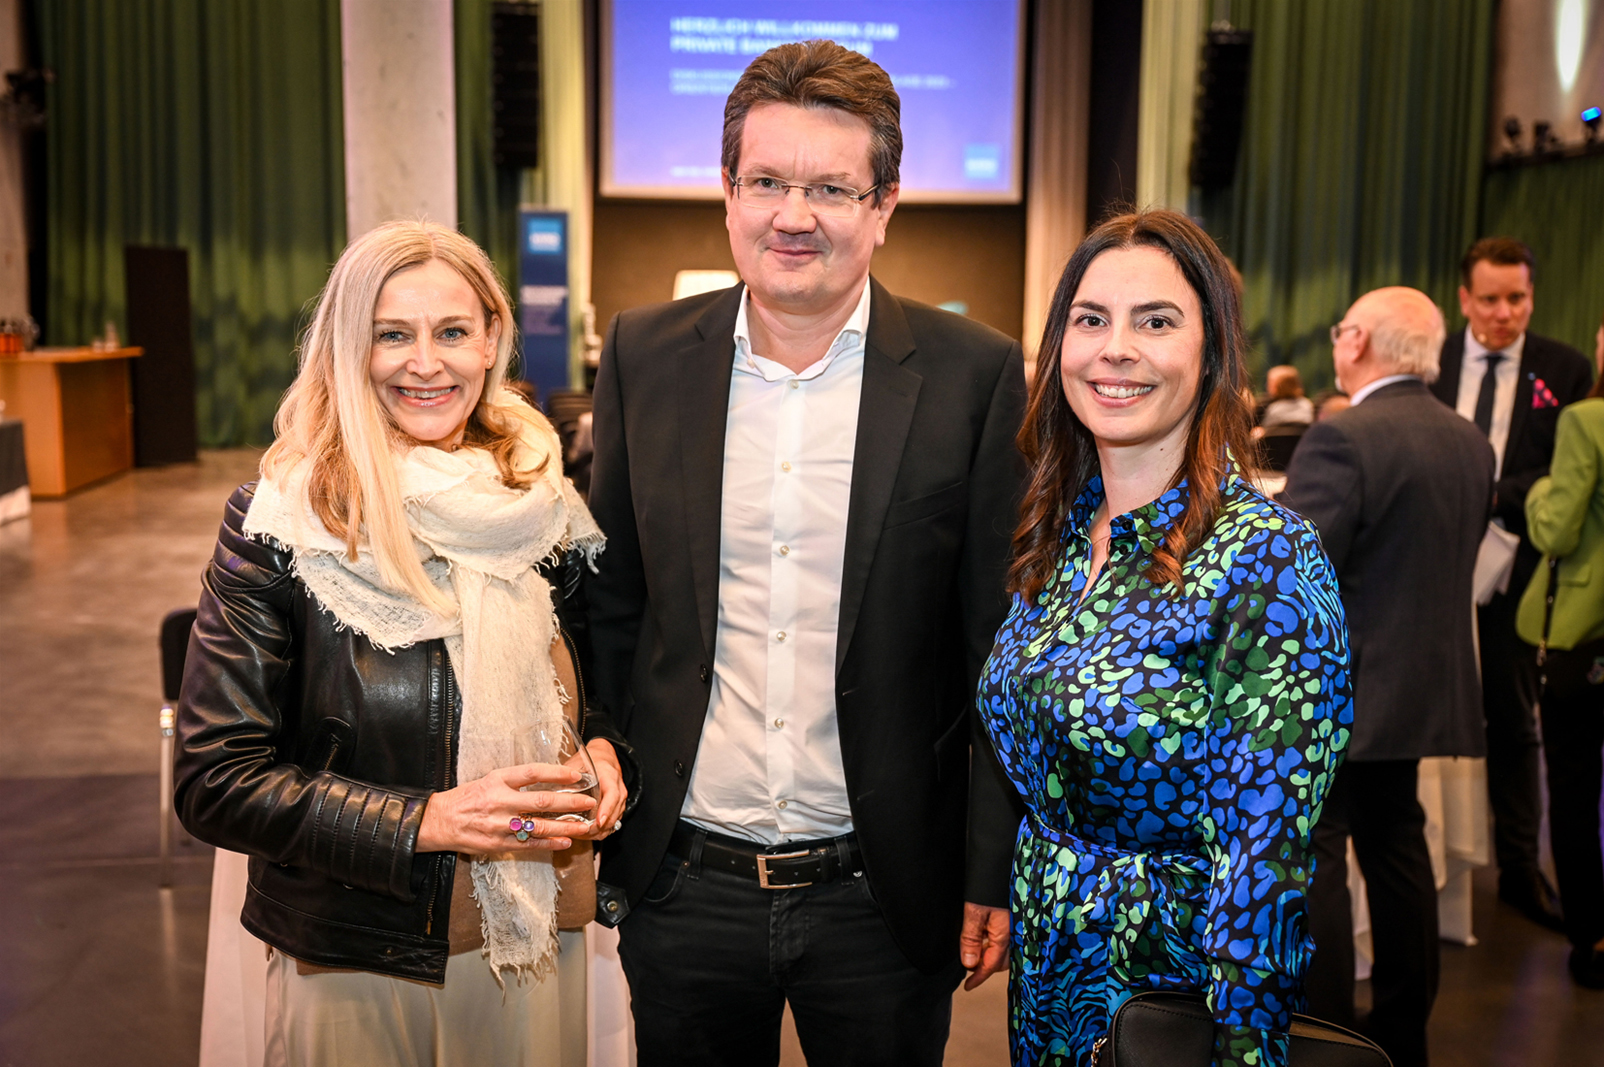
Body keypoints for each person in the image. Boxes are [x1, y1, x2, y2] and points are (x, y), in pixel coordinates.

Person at [586, 39, 1026, 1065]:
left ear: (883, 206)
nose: (794, 214)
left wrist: (987, 866)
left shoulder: (974, 375)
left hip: (881, 894)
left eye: (831, 186)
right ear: (726, 192)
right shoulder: (644, 354)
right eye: (769, 181)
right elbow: (614, 603)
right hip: (684, 881)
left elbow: (992, 646)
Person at [174, 221, 631, 1065]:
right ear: (352, 348)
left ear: (492, 338)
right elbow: (215, 779)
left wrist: (608, 750)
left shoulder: (546, 506)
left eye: (453, 332)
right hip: (358, 953)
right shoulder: (282, 519)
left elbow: (601, 689)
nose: (427, 362)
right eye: (393, 334)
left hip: (539, 939)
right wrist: (430, 820)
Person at [978, 209, 1352, 1067]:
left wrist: (1241, 1051)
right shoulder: (1061, 536)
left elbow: (1266, 865)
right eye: (1090, 318)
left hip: (1178, 1000)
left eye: (1156, 321)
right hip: (1051, 979)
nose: (1116, 348)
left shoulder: (1265, 560)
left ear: (1211, 350)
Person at [1281, 288, 1494, 1067]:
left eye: (1341, 329)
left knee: (1321, 856)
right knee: (1400, 846)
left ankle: (1329, 1035)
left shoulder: (1343, 438)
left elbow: (1296, 577)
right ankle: (1404, 1029)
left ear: (1359, 341)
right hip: (1425, 684)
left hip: (1345, 689)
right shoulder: (1469, 440)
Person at [1429, 238, 1592, 930]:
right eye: (1490, 299)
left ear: (1532, 296)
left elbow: (1567, 469)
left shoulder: (1564, 366)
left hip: (1516, 566)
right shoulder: (1431, 360)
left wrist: (1494, 493)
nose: (1504, 313)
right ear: (1464, 300)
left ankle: (1521, 867)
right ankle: (1432, 860)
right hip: (1430, 562)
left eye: (1517, 299)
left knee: (1515, 719)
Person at [1514, 314, 1604, 989]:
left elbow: (1557, 526)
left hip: (1584, 633)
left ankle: (1592, 940)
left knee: (1572, 791)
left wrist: (1540, 489)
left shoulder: (1586, 421)